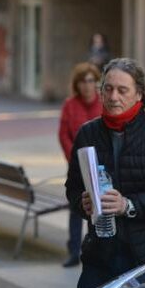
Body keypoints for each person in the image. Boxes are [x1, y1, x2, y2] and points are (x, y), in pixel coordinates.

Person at [65, 57, 145, 288]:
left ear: (138, 95)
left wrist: (128, 205)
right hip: (100, 255)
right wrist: (83, 204)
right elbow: (72, 188)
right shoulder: (88, 133)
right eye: (108, 89)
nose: (114, 97)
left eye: (122, 90)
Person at [58, 63, 103, 267]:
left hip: (100, 167)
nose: (87, 85)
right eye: (83, 81)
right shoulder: (70, 104)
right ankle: (73, 251)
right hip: (76, 165)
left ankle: (96, 249)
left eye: (91, 81)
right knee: (76, 207)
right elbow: (64, 134)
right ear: (77, 84)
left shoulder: (103, 103)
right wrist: (74, 160)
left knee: (98, 207)